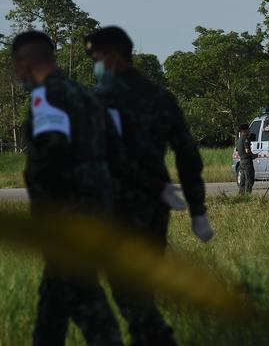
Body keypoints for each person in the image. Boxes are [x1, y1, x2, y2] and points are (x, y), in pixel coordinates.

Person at [85, 26, 213, 345]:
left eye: (97, 57)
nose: (95, 64)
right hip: (156, 209)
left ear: (113, 58)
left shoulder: (100, 99)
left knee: (130, 295)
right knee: (140, 290)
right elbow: (187, 154)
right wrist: (197, 210)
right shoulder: (160, 97)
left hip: (116, 208)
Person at [12, 31, 123, 346]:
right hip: (96, 213)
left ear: (25, 62)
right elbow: (116, 153)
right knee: (53, 305)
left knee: (87, 303)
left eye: (15, 65)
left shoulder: (45, 97)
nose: (15, 73)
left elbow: (51, 155)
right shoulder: (88, 97)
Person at [236, 123, 258, 194]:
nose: (249, 131)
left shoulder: (238, 140)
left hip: (241, 161)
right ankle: (248, 195)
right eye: (248, 129)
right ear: (244, 130)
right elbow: (247, 150)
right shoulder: (245, 139)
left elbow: (237, 152)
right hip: (247, 161)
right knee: (250, 179)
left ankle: (241, 195)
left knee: (242, 180)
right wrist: (253, 155)